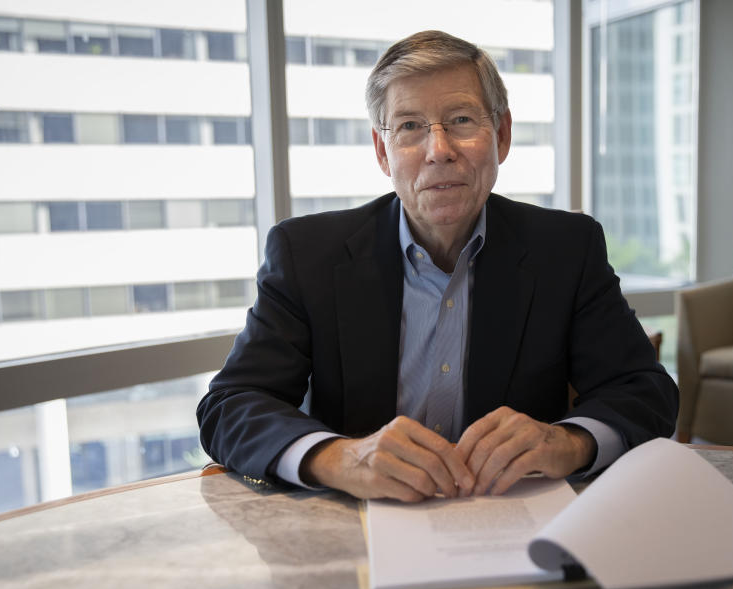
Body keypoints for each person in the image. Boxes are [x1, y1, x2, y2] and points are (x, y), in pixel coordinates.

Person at [197, 30, 678, 503]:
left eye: (462, 119)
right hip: (355, 529)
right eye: (409, 126)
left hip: (517, 519)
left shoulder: (567, 249)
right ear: (383, 152)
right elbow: (230, 405)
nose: (439, 149)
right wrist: (340, 458)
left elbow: (645, 392)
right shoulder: (308, 254)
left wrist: (569, 443)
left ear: (502, 136)